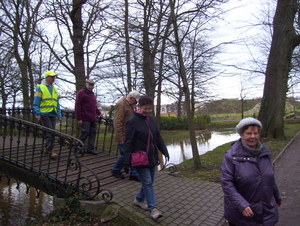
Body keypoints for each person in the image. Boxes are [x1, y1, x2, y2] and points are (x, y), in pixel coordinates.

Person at [221, 117, 282, 226]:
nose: (253, 137)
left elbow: (269, 178)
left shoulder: (265, 154)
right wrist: (241, 204)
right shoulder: (231, 157)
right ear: (241, 135)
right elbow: (227, 184)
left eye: (256, 133)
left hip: (266, 211)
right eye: (249, 133)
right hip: (241, 215)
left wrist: (277, 197)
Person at [123, 95, 170, 220]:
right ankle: (153, 209)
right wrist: (126, 162)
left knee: (149, 182)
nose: (148, 111)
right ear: (138, 106)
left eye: (150, 109)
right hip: (140, 158)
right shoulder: (132, 121)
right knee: (148, 182)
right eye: (145, 108)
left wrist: (164, 151)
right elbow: (128, 142)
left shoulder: (150, 119)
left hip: (152, 157)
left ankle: (138, 199)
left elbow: (157, 136)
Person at [111, 90, 141, 181]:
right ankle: (115, 169)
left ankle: (134, 173)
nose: (136, 103)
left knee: (133, 153)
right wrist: (120, 138)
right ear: (131, 98)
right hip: (124, 135)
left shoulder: (130, 105)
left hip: (130, 134)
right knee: (125, 154)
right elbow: (117, 122)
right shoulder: (121, 104)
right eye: (135, 101)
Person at [33, 70, 62, 158]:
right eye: (52, 77)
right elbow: (36, 102)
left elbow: (57, 103)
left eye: (54, 77)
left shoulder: (54, 89)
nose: (53, 79)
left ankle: (47, 148)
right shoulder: (40, 88)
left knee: (51, 132)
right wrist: (37, 113)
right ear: (47, 77)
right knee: (50, 132)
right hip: (44, 113)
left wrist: (59, 114)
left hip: (52, 113)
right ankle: (52, 150)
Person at [75, 79, 102, 155]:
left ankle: (90, 149)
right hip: (85, 117)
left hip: (93, 117)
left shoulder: (92, 94)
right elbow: (77, 106)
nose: (91, 87)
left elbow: (94, 106)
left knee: (93, 133)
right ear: (86, 84)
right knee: (85, 132)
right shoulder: (81, 93)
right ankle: (78, 146)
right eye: (90, 85)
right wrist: (79, 118)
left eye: (92, 85)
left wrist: (99, 113)